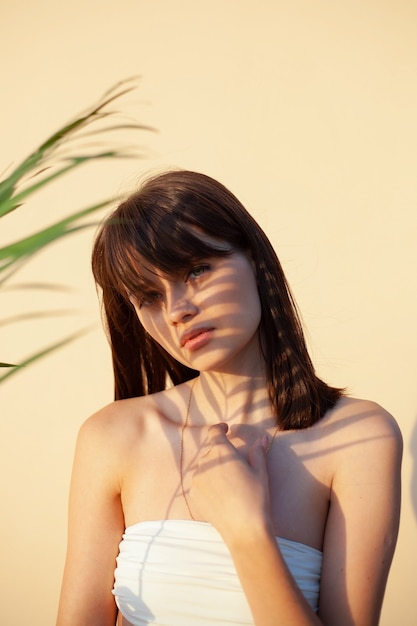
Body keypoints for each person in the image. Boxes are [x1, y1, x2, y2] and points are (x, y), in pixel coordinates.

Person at [56, 170, 402, 626]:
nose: (178, 310)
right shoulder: (115, 436)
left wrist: (245, 530)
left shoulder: (359, 437)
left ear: (255, 260)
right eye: (148, 297)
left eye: (195, 271)